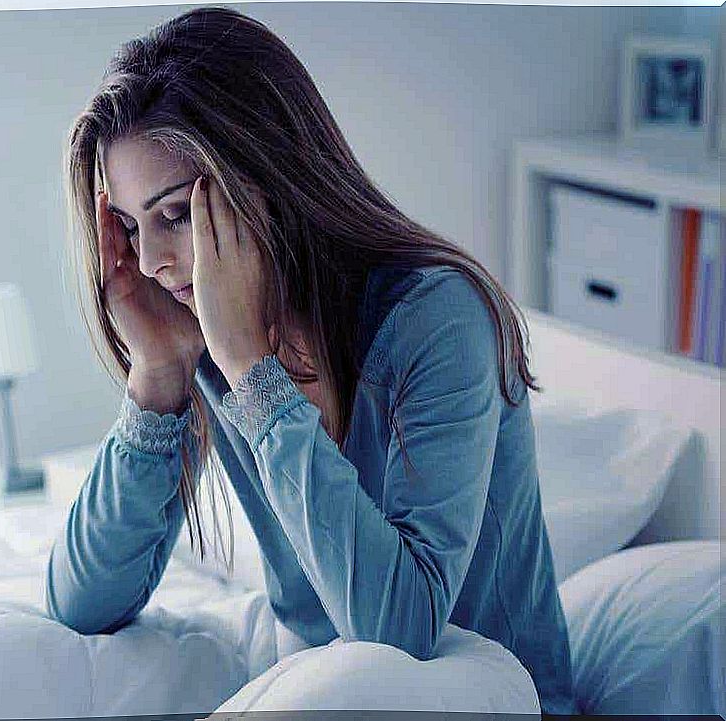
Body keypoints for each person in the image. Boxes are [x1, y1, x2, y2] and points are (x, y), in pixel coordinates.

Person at [43, 6, 577, 716]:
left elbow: (401, 630)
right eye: (134, 227)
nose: (149, 262)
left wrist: (253, 374)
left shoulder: (439, 318)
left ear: (267, 176)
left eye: (175, 216)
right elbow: (80, 602)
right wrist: (158, 371)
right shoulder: (205, 329)